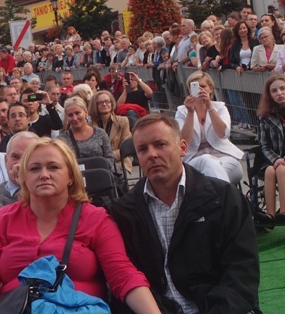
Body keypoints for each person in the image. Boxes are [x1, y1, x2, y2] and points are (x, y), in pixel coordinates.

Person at [0, 138, 160, 313]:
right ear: (24, 177)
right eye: (34, 169)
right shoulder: (2, 219)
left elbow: (122, 275)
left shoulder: (95, 219)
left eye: (53, 167)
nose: (44, 175)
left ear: (70, 176)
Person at [111, 114, 260, 313]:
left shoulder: (224, 198)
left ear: (183, 147)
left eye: (160, 144)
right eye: (143, 149)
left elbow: (241, 271)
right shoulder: (124, 211)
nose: (152, 154)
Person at [175, 71, 244, 184]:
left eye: (203, 86)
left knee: (210, 174)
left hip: (223, 156)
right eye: (195, 87)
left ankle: (218, 199)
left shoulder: (220, 107)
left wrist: (210, 106)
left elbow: (223, 134)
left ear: (211, 89)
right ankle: (228, 199)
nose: (200, 90)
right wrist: (190, 113)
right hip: (195, 159)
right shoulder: (182, 111)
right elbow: (184, 141)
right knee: (207, 161)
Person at [256, 75, 285, 227]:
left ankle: (284, 213)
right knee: (270, 170)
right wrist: (276, 159)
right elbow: (264, 145)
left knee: (281, 170)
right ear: (269, 95)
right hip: (274, 160)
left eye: (282, 88)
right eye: (274, 91)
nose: (279, 93)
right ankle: (270, 215)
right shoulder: (264, 116)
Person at [0, 131, 39, 233]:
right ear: (6, 160)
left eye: (28, 157)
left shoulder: (48, 193)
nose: (20, 164)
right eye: (15, 157)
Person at [59, 97, 115, 171]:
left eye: (77, 113)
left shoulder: (100, 133)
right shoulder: (62, 140)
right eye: (70, 115)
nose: (75, 118)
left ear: (86, 112)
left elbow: (110, 158)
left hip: (100, 176)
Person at [88, 91, 132, 173]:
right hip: (98, 165)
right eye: (100, 102)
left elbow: (125, 148)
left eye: (107, 101)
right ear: (95, 105)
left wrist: (108, 158)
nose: (104, 104)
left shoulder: (123, 121)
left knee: (112, 176)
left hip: (120, 162)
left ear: (111, 103)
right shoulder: (89, 125)